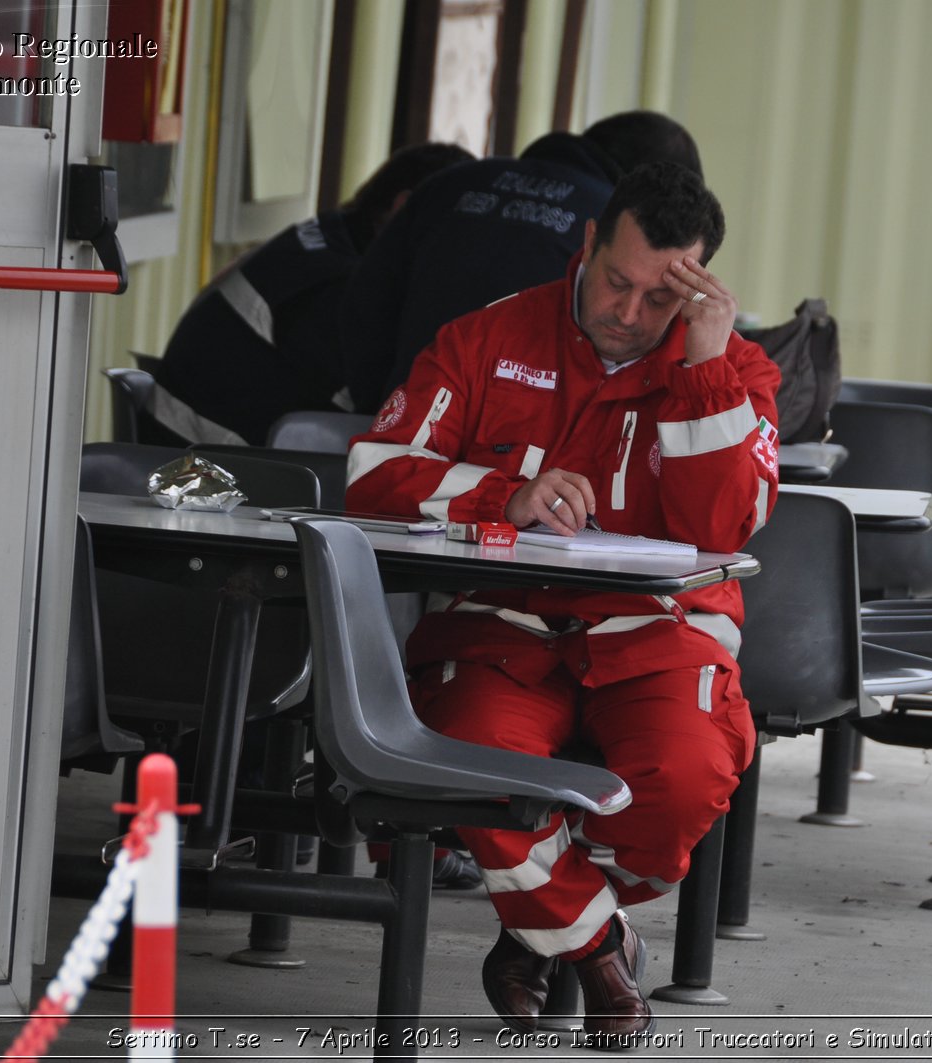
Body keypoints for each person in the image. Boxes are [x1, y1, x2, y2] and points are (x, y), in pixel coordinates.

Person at [346, 162, 781, 1048]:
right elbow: (371, 476)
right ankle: (602, 950)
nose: (627, 312)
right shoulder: (485, 334)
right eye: (616, 281)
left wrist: (701, 367)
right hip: (500, 628)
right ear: (586, 244)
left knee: (688, 777)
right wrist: (501, 494)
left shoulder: (734, 369)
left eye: (659, 299)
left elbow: (724, 529)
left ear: (699, 294)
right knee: (465, 760)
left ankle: (540, 928)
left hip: (662, 636)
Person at [338, 111, 703, 414]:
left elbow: (364, 304)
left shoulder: (451, 184)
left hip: (408, 431)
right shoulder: (616, 223)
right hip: (526, 460)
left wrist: (383, 408)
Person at [151, 142, 473, 445]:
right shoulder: (339, 286)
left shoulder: (333, 235)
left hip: (197, 436)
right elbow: (384, 406)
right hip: (195, 458)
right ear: (402, 206)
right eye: (456, 226)